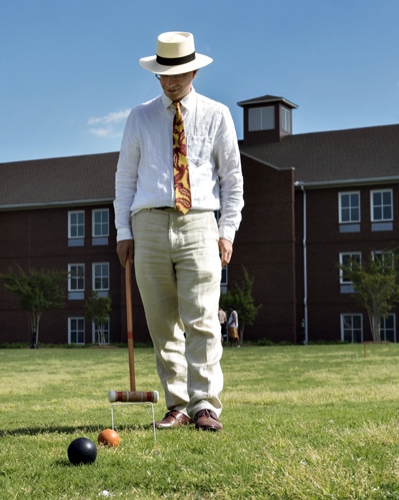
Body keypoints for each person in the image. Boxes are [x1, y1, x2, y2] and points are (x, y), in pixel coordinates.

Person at [115, 32, 244, 431]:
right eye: (163, 75)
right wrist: (123, 229)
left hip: (201, 222)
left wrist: (228, 230)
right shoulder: (139, 116)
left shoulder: (216, 113)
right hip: (148, 224)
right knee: (161, 321)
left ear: (193, 70)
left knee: (203, 317)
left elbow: (232, 178)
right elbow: (125, 177)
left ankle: (205, 404)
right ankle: (178, 404)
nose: (170, 82)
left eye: (177, 74)